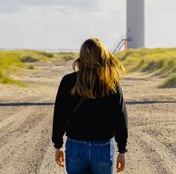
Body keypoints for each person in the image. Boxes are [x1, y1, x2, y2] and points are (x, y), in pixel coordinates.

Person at [52, 37, 128, 173]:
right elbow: (120, 118)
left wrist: (58, 145)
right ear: (103, 56)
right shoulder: (111, 84)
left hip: (75, 145)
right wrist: (122, 149)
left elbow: (60, 115)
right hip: (103, 146)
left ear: (82, 56)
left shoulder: (68, 81)